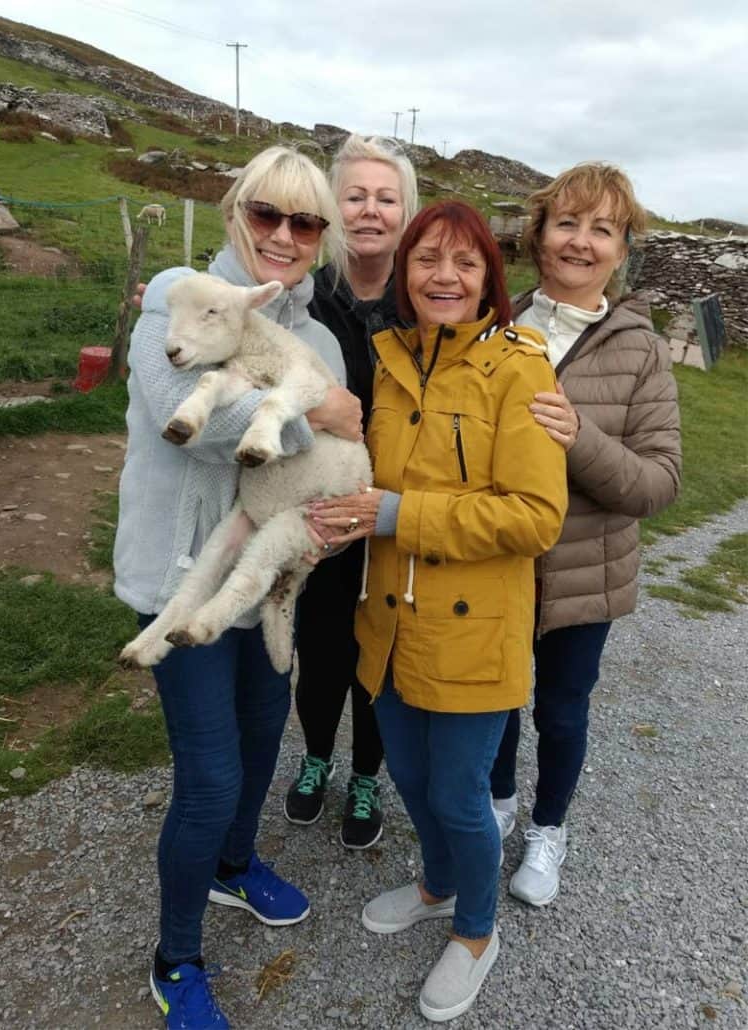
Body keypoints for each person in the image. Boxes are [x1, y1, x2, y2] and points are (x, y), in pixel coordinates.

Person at [113, 146, 362, 1030]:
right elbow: (195, 423)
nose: (285, 237)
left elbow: (337, 454)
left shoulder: (319, 335)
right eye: (267, 214)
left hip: (264, 578)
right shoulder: (175, 298)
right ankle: (176, 955)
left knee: (264, 743)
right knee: (211, 777)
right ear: (235, 211)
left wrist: (333, 493)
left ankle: (231, 868)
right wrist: (316, 415)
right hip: (180, 572)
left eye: (306, 222)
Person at [309, 201, 568, 1022]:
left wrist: (397, 515)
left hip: (474, 631)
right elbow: (361, 473)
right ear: (405, 271)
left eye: (464, 262)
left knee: (460, 796)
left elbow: (534, 515)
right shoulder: (388, 360)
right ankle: (436, 882)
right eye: (427, 260)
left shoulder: (522, 365)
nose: (444, 277)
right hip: (388, 617)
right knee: (412, 779)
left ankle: (477, 932)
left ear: (490, 275)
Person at [489, 162, 682, 908]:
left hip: (585, 573)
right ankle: (500, 801)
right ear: (539, 234)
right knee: (497, 697)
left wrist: (580, 438)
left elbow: (659, 481)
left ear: (621, 248)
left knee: (563, 707)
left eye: (602, 229)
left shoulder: (641, 348)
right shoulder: (496, 321)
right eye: (567, 222)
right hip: (499, 557)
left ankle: (548, 828)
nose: (581, 241)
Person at [285, 135, 419, 849]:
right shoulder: (306, 291)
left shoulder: (423, 297)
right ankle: (314, 758)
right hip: (323, 501)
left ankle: (367, 772)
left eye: (386, 197)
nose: (370, 209)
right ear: (333, 207)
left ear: (405, 211)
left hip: (395, 508)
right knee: (322, 642)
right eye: (355, 195)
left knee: (382, 647)